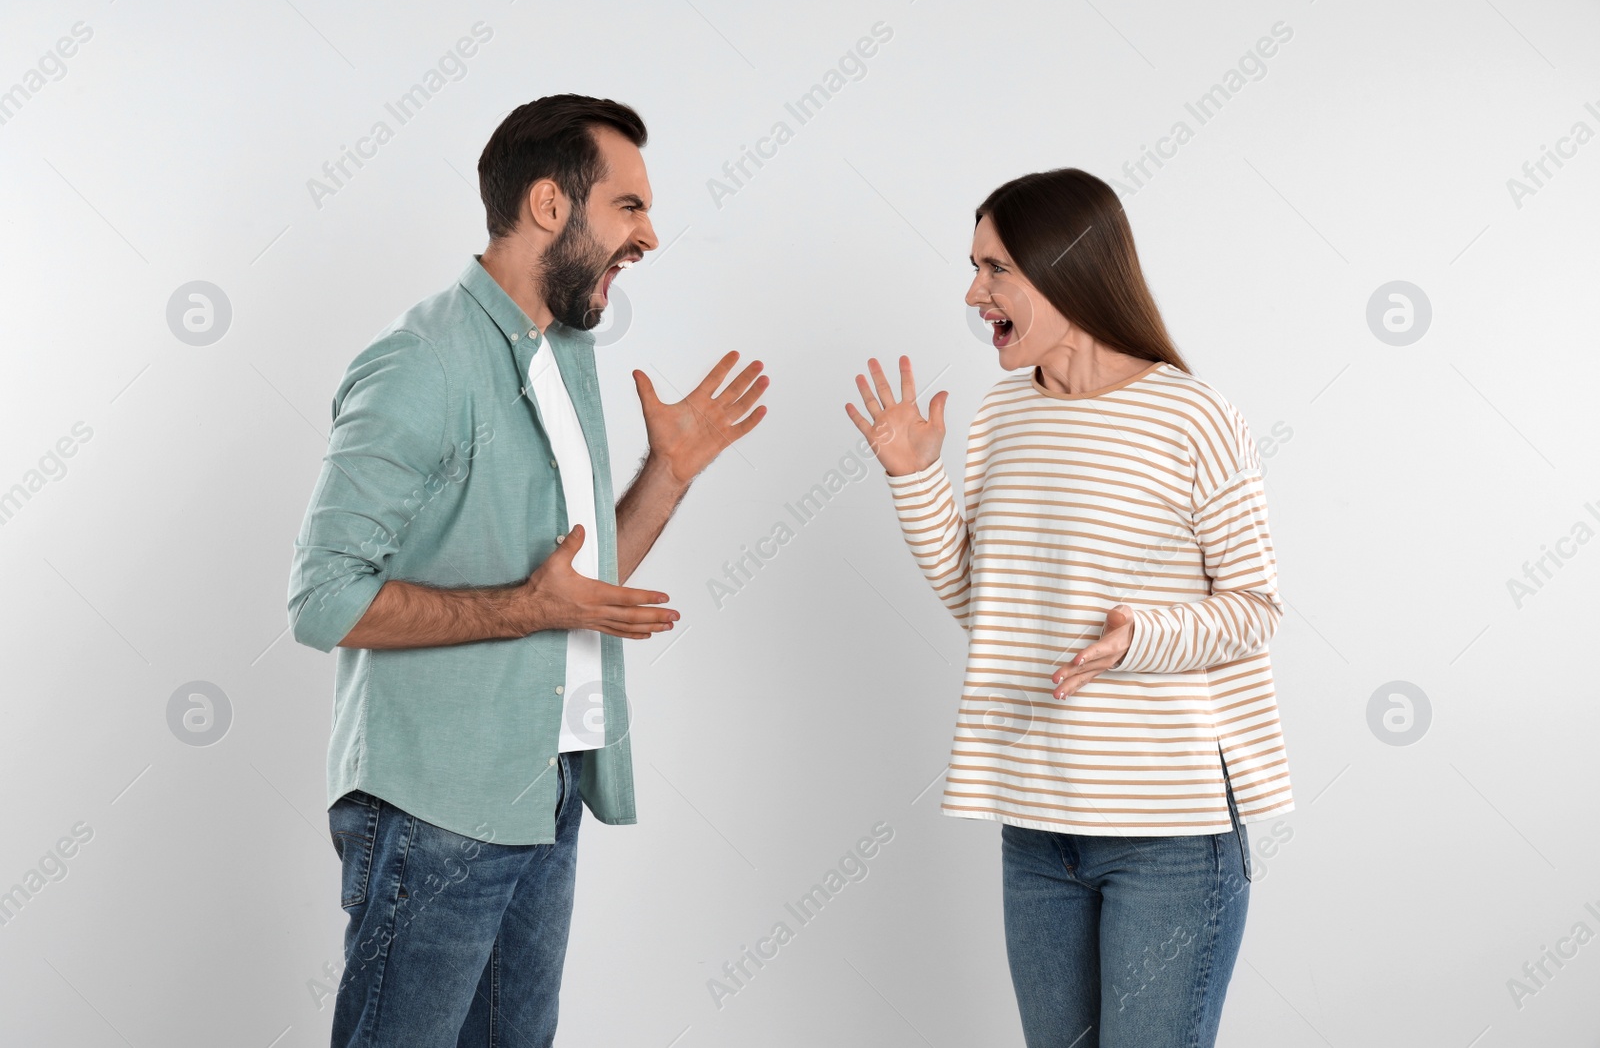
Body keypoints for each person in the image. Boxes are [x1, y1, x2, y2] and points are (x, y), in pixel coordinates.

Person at [287, 94, 768, 1047]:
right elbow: (322, 598)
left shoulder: (566, 351)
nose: (651, 236)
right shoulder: (420, 362)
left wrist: (668, 473)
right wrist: (520, 609)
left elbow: (575, 581)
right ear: (551, 205)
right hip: (434, 807)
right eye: (629, 207)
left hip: (543, 786)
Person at [845, 167, 1293, 1047]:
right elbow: (988, 604)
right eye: (975, 267)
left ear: (1069, 268)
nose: (974, 293)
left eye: (996, 268)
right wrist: (914, 478)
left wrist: (1142, 637)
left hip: (1170, 828)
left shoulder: (1193, 415)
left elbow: (1256, 606)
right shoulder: (1005, 413)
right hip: (1038, 819)